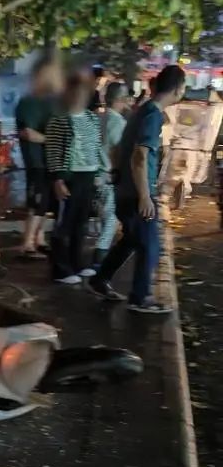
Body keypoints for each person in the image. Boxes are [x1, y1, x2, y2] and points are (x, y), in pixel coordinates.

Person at [90, 65, 187, 313]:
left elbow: (117, 150)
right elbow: (140, 156)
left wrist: (117, 175)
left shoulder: (140, 111)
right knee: (151, 245)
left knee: (132, 240)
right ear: (177, 89)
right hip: (136, 193)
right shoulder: (152, 115)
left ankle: (100, 279)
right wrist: (145, 196)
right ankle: (140, 297)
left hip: (125, 189)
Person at [46, 72, 106, 284]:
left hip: (87, 176)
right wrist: (58, 179)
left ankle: (77, 263)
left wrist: (98, 173)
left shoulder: (91, 118)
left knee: (81, 223)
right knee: (64, 223)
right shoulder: (59, 119)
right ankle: (60, 269)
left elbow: (95, 147)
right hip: (69, 176)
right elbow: (53, 151)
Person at [15, 55, 63, 259]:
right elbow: (27, 133)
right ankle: (27, 244)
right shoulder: (29, 102)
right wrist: (51, 139)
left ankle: (39, 239)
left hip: (49, 160)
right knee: (37, 202)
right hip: (37, 161)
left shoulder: (51, 101)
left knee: (46, 203)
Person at [94, 81, 129, 266]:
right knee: (110, 220)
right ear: (120, 100)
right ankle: (98, 259)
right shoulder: (119, 123)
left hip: (90, 175)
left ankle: (97, 258)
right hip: (108, 176)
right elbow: (118, 152)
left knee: (102, 217)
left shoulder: (96, 118)